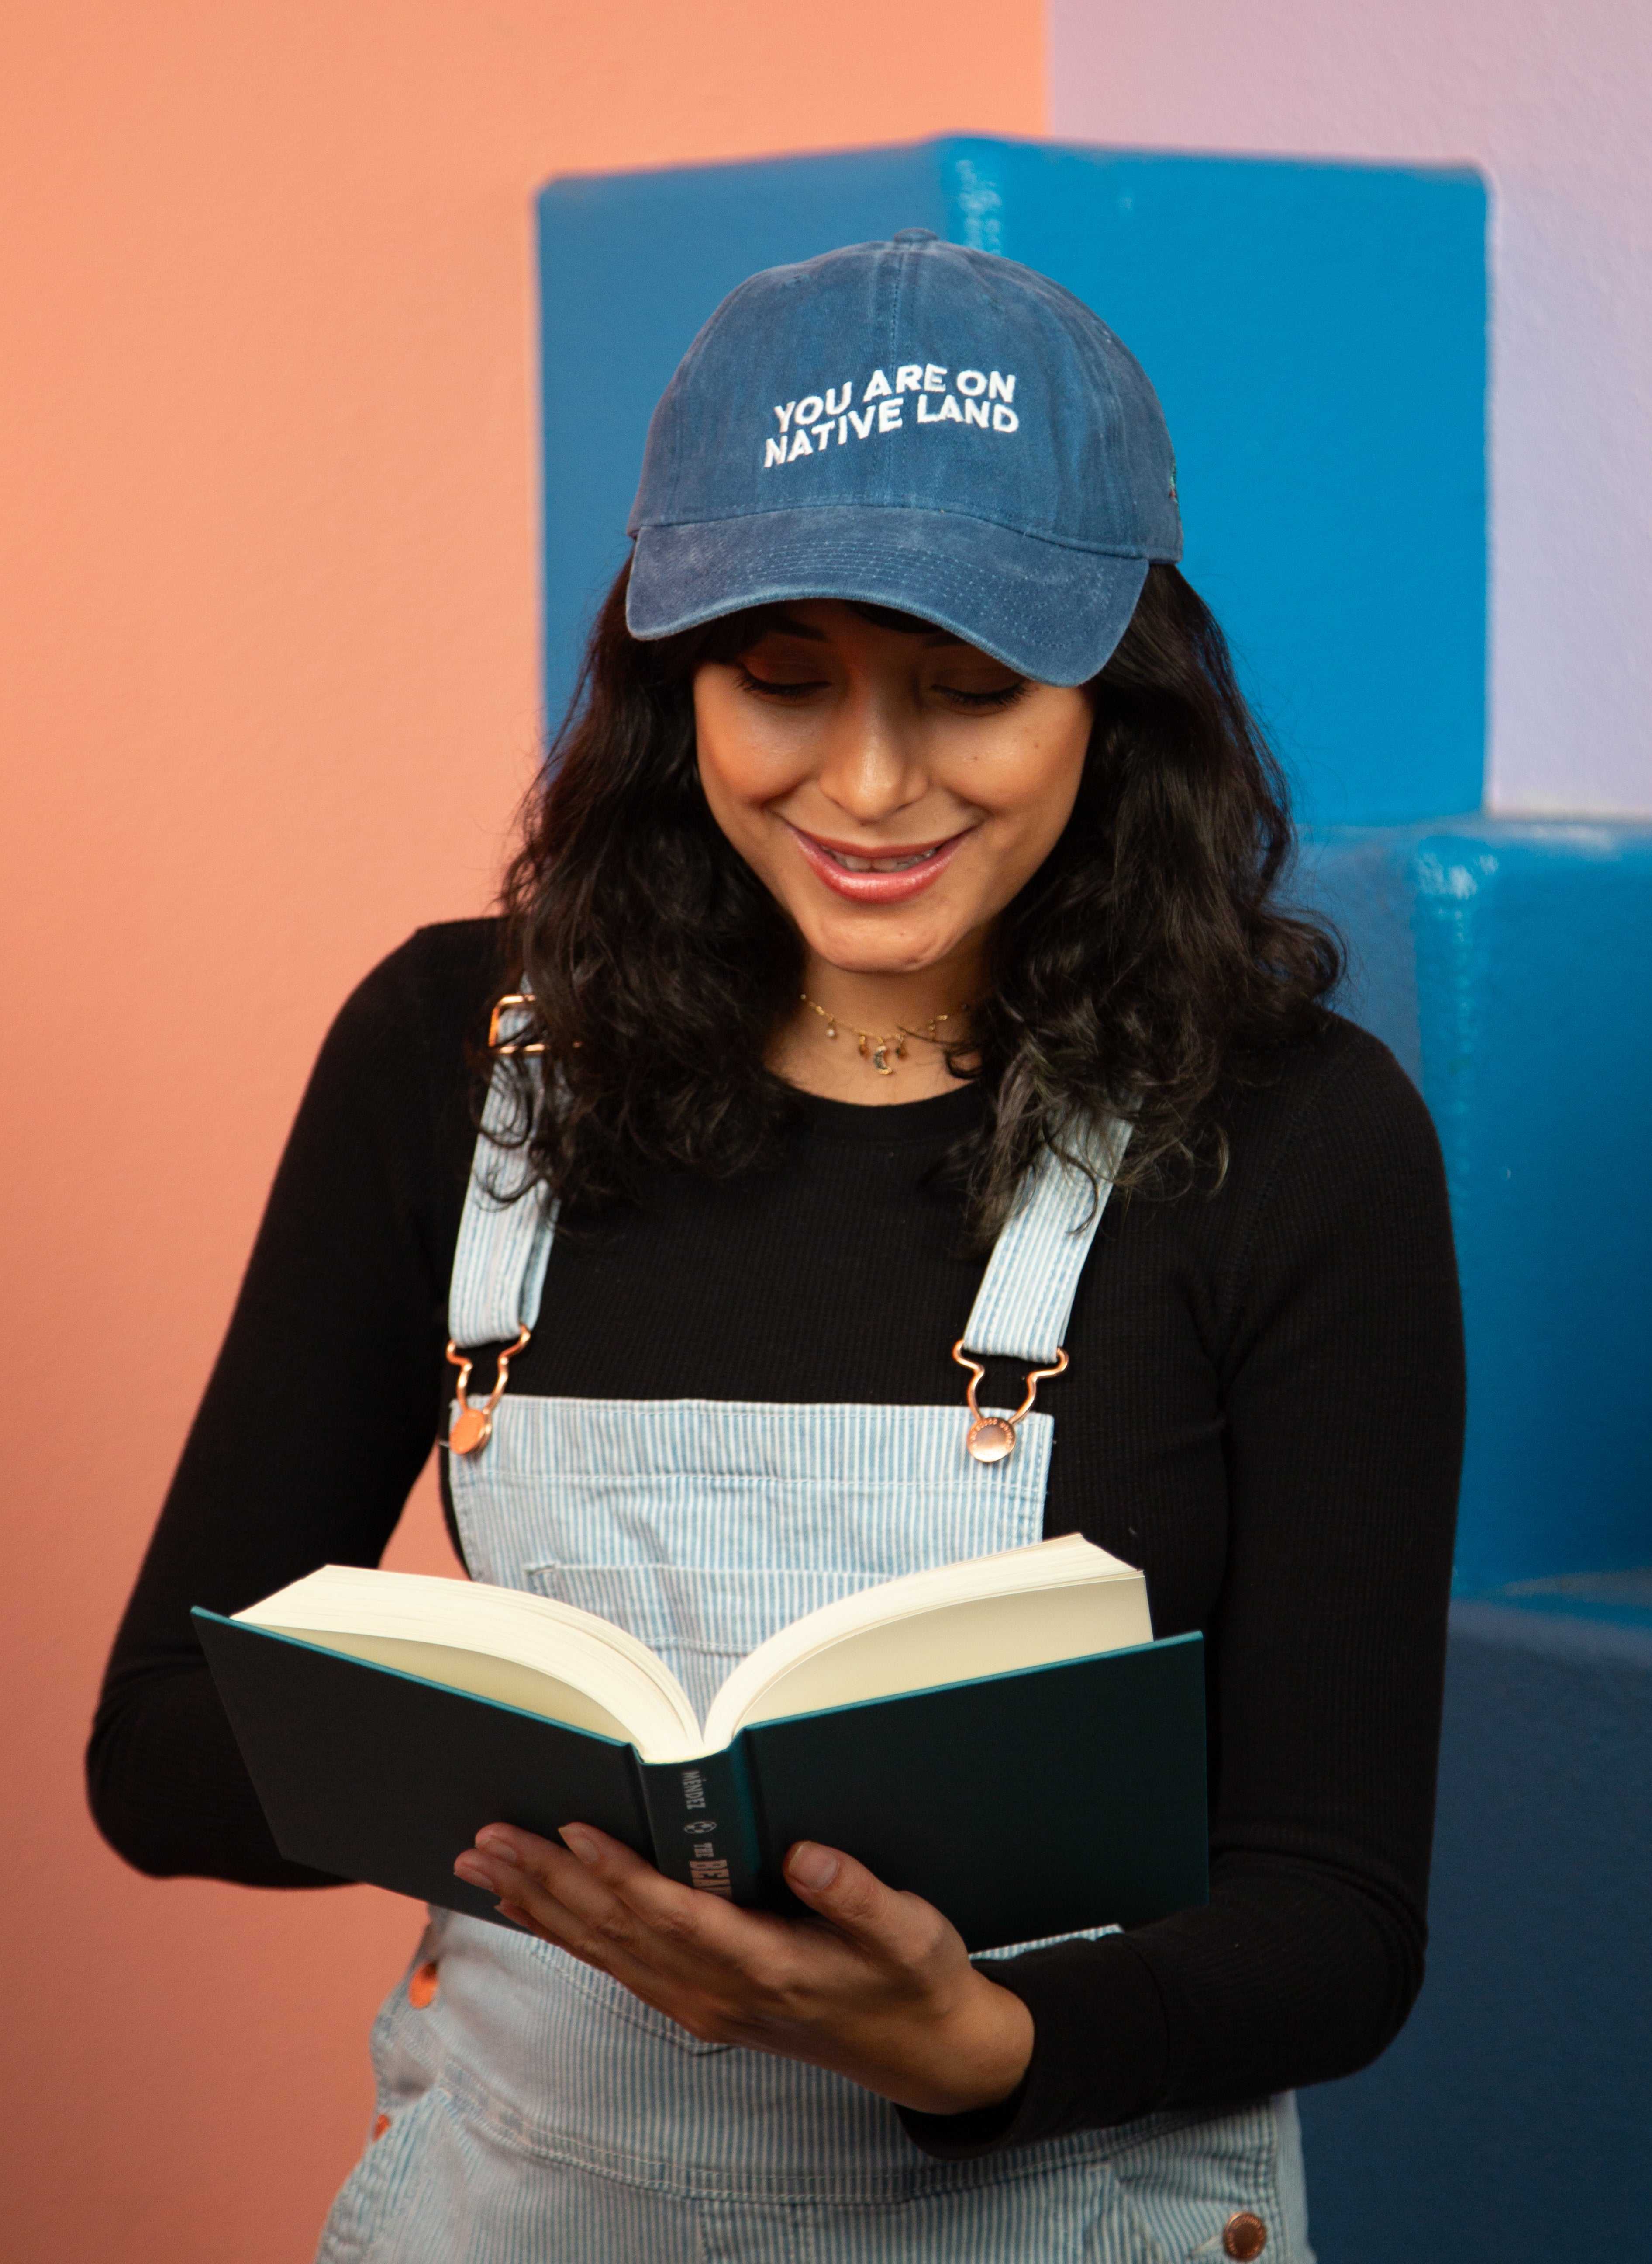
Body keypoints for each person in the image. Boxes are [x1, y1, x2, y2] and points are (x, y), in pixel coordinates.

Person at [89, 231, 1463, 2263]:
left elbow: (1335, 1919)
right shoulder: (448, 1058)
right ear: (670, 677)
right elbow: (157, 1759)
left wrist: (973, 2038)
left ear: (1120, 693)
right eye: (783, 680)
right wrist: (533, 1808)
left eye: (972, 691)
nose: (875, 785)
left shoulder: (1301, 1139)